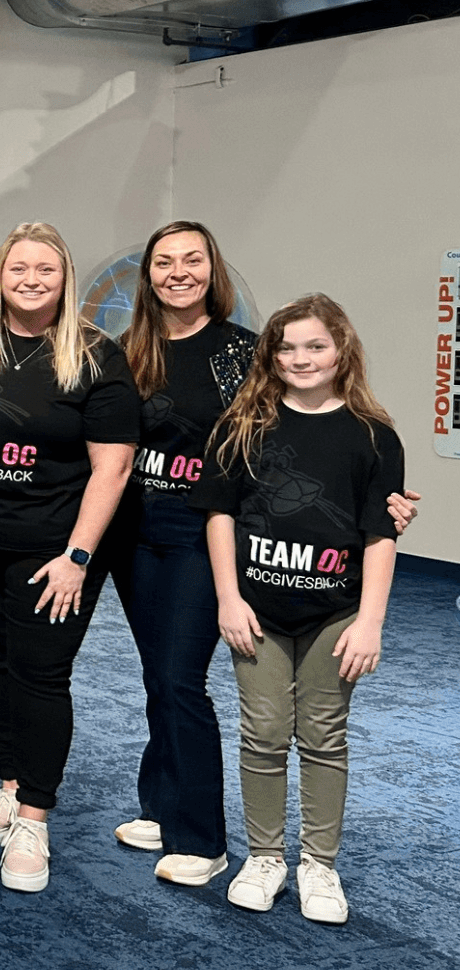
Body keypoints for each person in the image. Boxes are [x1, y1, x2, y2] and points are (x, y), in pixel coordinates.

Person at [107, 223, 420, 890]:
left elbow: (306, 436)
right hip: (135, 534)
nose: (178, 272)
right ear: (149, 274)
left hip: (205, 537)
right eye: (164, 261)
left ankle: (202, 839)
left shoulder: (240, 352)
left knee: (181, 677)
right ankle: (162, 805)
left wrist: (383, 504)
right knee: (156, 677)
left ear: (212, 269)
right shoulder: (128, 350)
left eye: (193, 259)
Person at [0, 220, 138, 893]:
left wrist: (77, 555)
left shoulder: (96, 356)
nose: (31, 280)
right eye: (19, 269)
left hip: (51, 553)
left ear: (64, 277)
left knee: (41, 674)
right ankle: (11, 788)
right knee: (0, 663)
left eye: (46, 269)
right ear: (0, 273)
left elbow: (114, 468)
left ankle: (35, 817)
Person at [191, 294, 404, 925]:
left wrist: (370, 621)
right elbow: (220, 514)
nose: (300, 358)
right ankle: (265, 858)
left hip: (335, 614)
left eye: (315, 346)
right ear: (270, 354)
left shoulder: (373, 436)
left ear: (342, 350)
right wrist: (228, 598)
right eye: (286, 347)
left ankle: (319, 864)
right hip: (256, 610)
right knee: (261, 732)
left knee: (322, 735)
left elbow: (380, 536)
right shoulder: (243, 425)